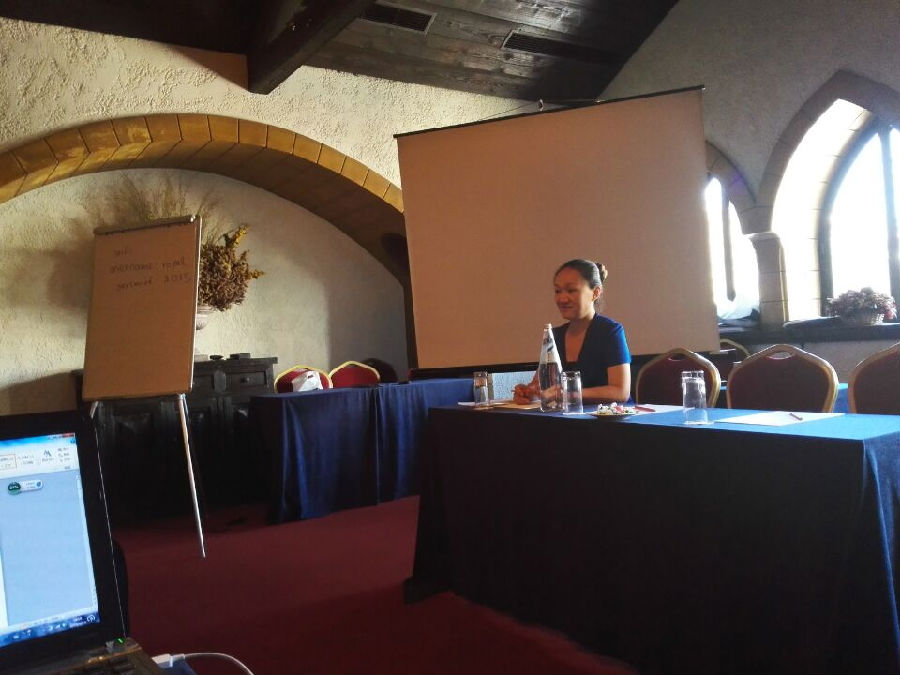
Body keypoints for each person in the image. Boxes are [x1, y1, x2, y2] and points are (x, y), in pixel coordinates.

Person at [514, 259, 631, 404]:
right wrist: (529, 393)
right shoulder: (554, 336)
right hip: (566, 417)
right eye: (558, 291)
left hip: (610, 417)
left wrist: (567, 393)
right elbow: (541, 388)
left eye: (571, 290)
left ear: (595, 293)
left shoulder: (610, 332)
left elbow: (620, 392)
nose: (562, 299)